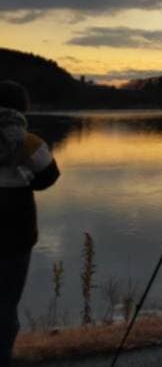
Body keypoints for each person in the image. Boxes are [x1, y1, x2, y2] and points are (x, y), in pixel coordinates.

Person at [0, 81, 60, 365]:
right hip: (16, 234)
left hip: (16, 235)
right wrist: (24, 177)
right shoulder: (27, 141)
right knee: (6, 303)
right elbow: (49, 176)